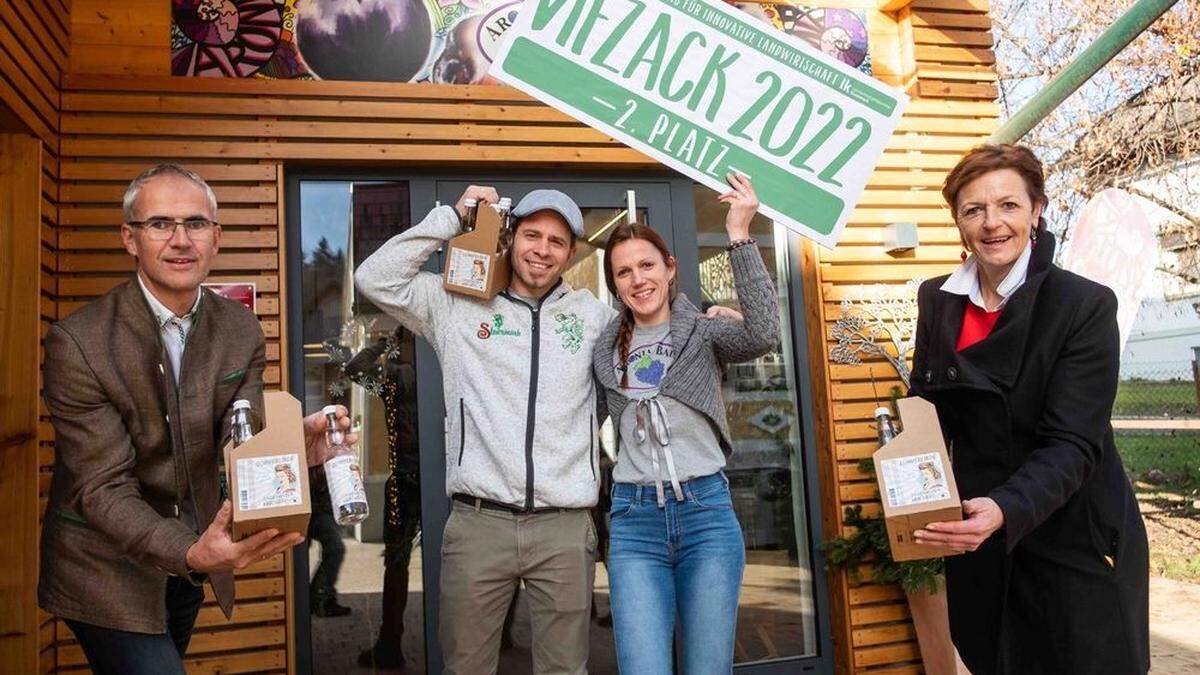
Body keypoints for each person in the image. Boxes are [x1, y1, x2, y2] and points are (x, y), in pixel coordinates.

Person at [38, 164, 355, 675]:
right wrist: (190, 551)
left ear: (216, 237)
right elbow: (101, 487)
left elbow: (238, 438)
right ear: (130, 238)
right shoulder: (78, 343)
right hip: (103, 567)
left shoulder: (241, 329)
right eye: (160, 224)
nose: (180, 240)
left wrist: (299, 444)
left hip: (193, 558)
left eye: (196, 224)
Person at [908, 144, 1150, 675]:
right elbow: (925, 414)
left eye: (1008, 206)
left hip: (1071, 535)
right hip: (980, 537)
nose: (992, 223)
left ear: (1036, 210)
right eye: (974, 209)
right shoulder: (938, 300)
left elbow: (1073, 442)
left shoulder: (1083, 305)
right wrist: (914, 488)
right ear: (958, 221)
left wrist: (1004, 507)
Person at [355, 186, 615, 674]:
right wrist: (452, 217)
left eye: (557, 241)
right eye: (532, 235)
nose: (542, 250)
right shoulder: (456, 305)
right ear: (511, 237)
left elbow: (654, 333)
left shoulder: (594, 317)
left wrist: (710, 320)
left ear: (572, 253)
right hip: (480, 525)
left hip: (564, 526)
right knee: (466, 668)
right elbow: (375, 278)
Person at [591, 174, 779, 674]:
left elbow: (763, 332)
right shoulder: (604, 349)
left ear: (670, 268)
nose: (639, 279)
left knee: (707, 668)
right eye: (624, 272)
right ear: (614, 284)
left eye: (648, 265)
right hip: (634, 523)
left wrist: (739, 231)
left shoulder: (704, 331)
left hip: (706, 516)